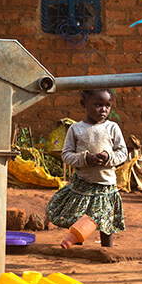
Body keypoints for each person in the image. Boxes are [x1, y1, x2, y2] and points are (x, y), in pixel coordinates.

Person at [46, 89, 127, 248]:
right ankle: (77, 245)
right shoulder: (76, 129)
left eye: (108, 105)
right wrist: (85, 158)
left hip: (105, 184)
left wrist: (108, 157)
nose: (104, 109)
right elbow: (67, 155)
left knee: (106, 219)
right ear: (83, 104)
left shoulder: (112, 128)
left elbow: (122, 153)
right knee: (79, 217)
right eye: (98, 105)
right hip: (82, 184)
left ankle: (107, 250)